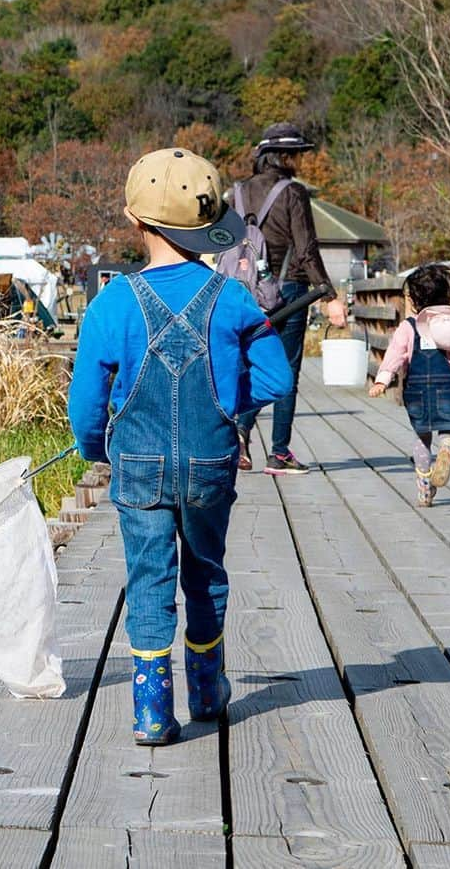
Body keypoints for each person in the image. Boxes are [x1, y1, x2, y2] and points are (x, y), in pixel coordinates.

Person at [67, 147, 293, 745]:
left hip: (137, 467)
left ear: (134, 220)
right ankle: (208, 690)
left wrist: (97, 448)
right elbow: (277, 380)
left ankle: (151, 712)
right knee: (206, 574)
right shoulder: (235, 298)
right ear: (208, 225)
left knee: (148, 578)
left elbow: (87, 408)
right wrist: (231, 412)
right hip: (211, 462)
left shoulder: (110, 303)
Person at [233, 122, 347, 476]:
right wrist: (329, 296)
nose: (300, 160)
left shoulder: (236, 192)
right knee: (286, 371)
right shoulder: (293, 192)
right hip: (288, 293)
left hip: (244, 292)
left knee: (250, 365)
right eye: (297, 154)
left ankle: (240, 430)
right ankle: (279, 453)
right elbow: (306, 248)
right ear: (284, 156)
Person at [368, 264, 450, 506]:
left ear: (414, 299)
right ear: (447, 296)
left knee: (422, 436)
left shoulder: (408, 326)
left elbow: (395, 354)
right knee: (449, 427)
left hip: (416, 388)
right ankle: (447, 446)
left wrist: (383, 379)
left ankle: (424, 487)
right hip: (448, 385)